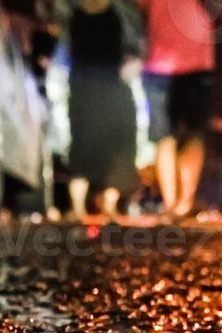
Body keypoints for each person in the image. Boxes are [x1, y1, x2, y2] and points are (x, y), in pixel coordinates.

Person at [66, 0, 144, 221]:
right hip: (85, 88)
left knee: (118, 145)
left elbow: (135, 47)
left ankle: (107, 203)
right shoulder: (74, 12)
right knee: (84, 144)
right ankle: (79, 206)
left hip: (110, 86)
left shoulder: (120, 10)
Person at [139, 0, 215, 219]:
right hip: (160, 63)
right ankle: (172, 201)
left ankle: (184, 200)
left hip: (196, 60)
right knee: (165, 135)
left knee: (194, 133)